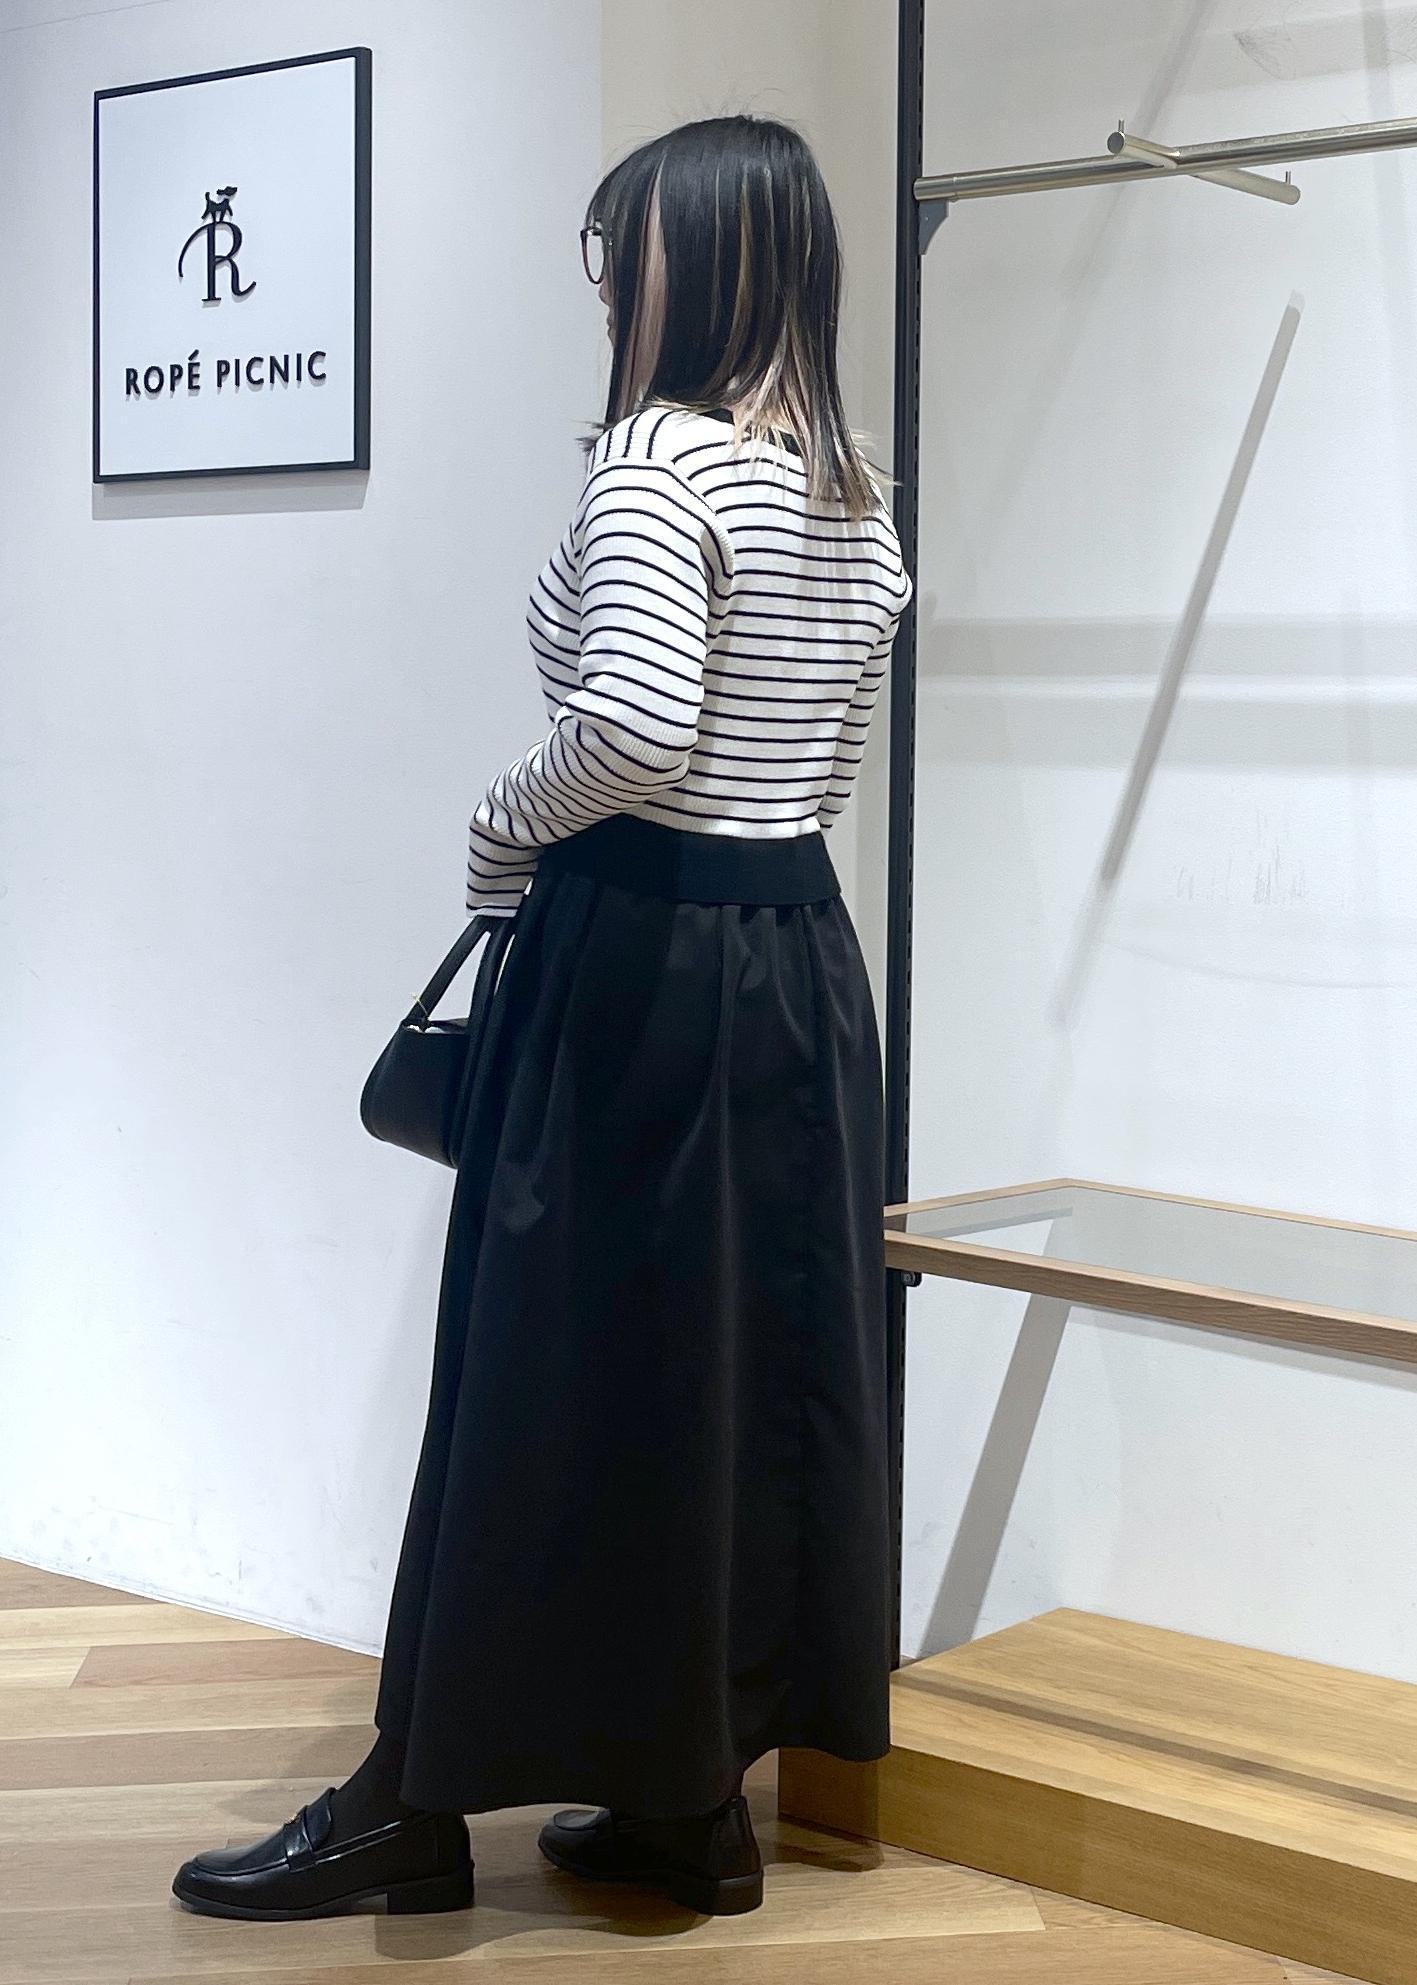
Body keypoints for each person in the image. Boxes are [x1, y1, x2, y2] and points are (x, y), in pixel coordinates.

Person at [172, 110, 913, 1924]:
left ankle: (408, 1802)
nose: (600, 286)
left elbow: (637, 725)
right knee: (726, 1381)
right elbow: (825, 757)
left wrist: (498, 825)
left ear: (692, 260)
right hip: (796, 966)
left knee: (533, 1372)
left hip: (634, 959)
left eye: (616, 251)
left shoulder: (654, 463)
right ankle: (688, 1803)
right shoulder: (851, 486)